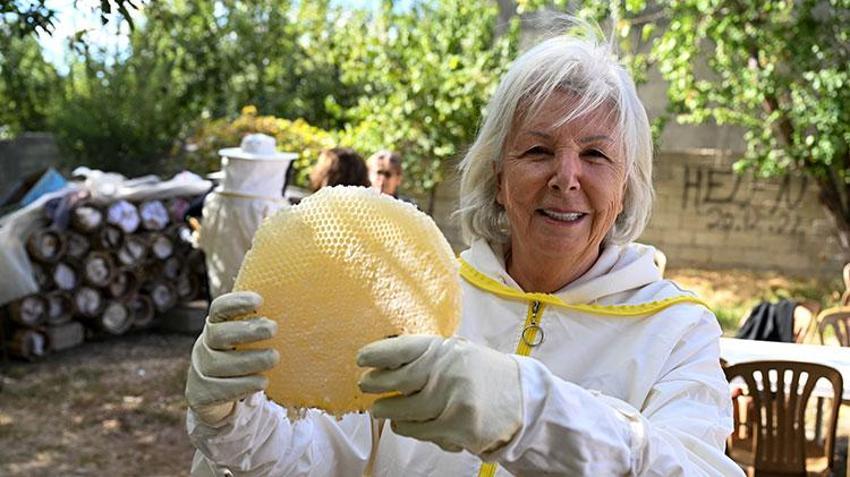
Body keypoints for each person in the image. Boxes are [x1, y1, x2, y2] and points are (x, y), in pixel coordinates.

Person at [186, 25, 743, 476]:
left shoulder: (676, 329)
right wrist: (235, 419)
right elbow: (325, 454)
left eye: (596, 155)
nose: (566, 177)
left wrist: (529, 411)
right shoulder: (423, 299)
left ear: (625, 186)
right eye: (538, 150)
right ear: (498, 176)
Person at [197, 133, 296, 298]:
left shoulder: (213, 200)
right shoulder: (273, 209)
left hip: (219, 296)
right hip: (261, 305)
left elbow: (204, 243)